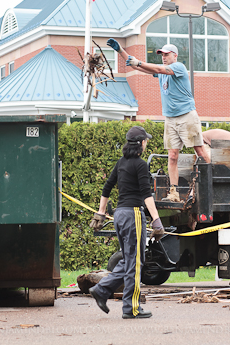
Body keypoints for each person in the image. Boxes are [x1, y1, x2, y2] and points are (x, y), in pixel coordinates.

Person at [106, 38, 209, 203]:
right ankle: (174, 193)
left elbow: (156, 67)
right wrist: (121, 51)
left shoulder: (178, 67)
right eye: (161, 54)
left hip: (187, 116)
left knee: (200, 152)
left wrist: (138, 61)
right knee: (172, 155)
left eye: (166, 54)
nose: (163, 56)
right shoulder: (161, 72)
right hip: (170, 119)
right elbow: (138, 66)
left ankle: (212, 182)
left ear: (175, 55)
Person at [88, 126, 165, 319]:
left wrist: (101, 213)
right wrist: (156, 220)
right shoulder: (140, 165)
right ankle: (132, 308)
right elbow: (147, 195)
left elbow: (107, 187)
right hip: (132, 215)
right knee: (136, 263)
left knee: (130, 260)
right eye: (146, 140)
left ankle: (102, 290)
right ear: (141, 143)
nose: (147, 143)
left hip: (119, 216)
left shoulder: (121, 163)